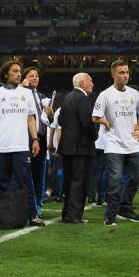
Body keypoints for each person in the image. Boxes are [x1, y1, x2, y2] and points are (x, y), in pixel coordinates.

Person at [0, 60, 45, 227]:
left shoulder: (27, 93)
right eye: (15, 71)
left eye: (20, 71)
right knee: (1, 184)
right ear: (6, 73)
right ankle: (5, 216)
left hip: (21, 146)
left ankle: (32, 215)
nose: (19, 74)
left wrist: (35, 139)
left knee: (26, 183)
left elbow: (31, 118)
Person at [92, 60, 139, 226]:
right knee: (114, 180)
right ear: (113, 74)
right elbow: (95, 116)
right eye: (121, 72)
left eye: (127, 72)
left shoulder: (134, 94)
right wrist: (105, 122)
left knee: (138, 177)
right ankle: (110, 216)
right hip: (114, 144)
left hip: (132, 144)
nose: (125, 75)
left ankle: (125, 207)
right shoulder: (105, 94)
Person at [59, 72, 99, 224]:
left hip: (67, 146)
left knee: (69, 181)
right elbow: (86, 122)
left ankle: (67, 213)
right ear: (82, 83)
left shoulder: (67, 97)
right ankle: (75, 215)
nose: (92, 84)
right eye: (90, 81)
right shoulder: (82, 98)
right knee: (80, 181)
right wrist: (95, 136)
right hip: (81, 147)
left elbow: (61, 120)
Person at [22, 67, 55, 215]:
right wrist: (22, 87)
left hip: (40, 137)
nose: (34, 78)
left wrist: (50, 115)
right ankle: (25, 204)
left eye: (36, 76)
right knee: (25, 173)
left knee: (38, 173)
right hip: (25, 138)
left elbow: (49, 120)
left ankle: (37, 204)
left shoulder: (42, 97)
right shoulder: (20, 94)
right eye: (31, 76)